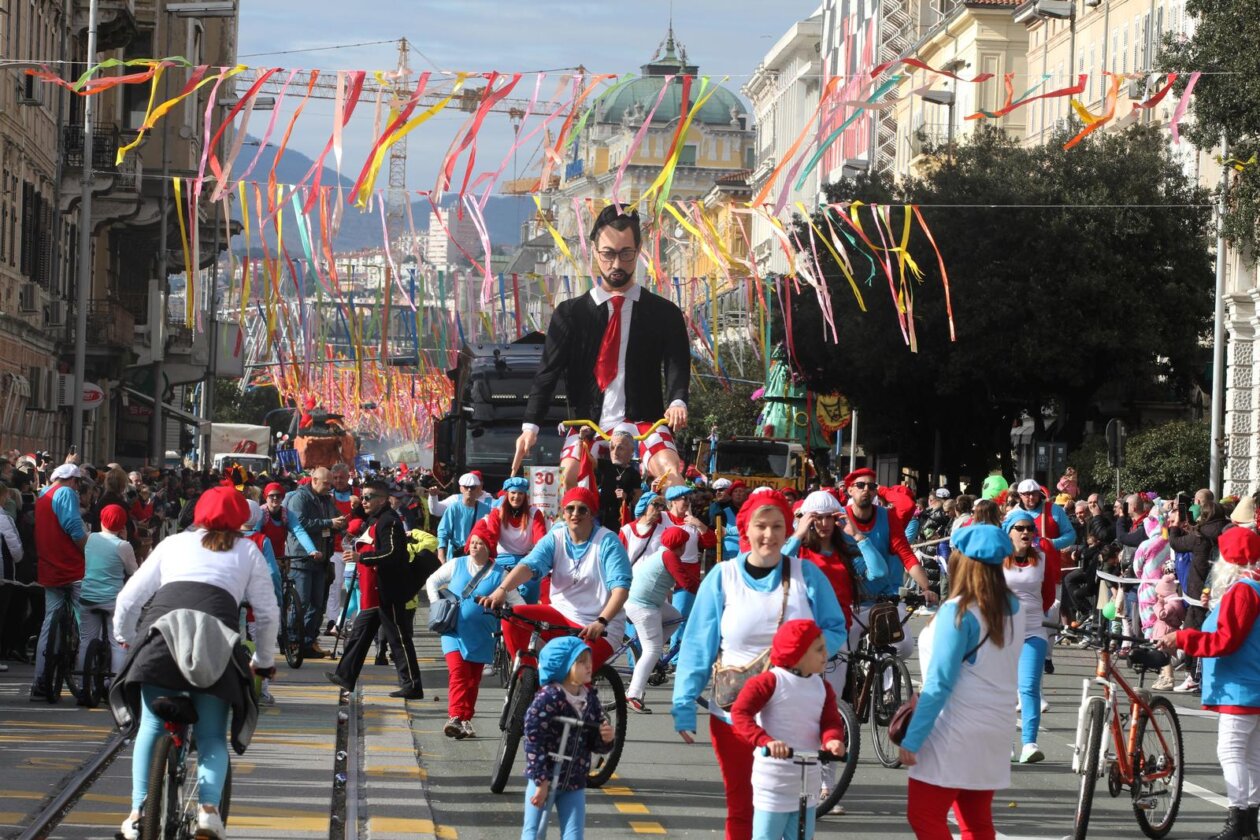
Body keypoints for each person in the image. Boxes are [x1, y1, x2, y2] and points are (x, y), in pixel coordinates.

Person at [671, 490, 846, 840]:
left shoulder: (806, 574)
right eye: (761, 526)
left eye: (778, 526)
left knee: (796, 814)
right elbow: (697, 644)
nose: (769, 535)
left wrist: (800, 657)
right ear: (745, 530)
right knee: (743, 809)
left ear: (788, 530)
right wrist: (683, 702)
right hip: (737, 716)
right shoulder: (722, 577)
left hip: (796, 714)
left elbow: (835, 627)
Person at [111, 486, 278, 840]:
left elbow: (128, 599)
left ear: (197, 514)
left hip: (161, 640)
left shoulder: (172, 544)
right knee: (213, 735)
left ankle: (138, 812)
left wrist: (125, 637)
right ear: (242, 521)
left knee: (152, 727)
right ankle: (207, 812)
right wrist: (263, 660)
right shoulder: (248, 551)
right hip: (215, 647)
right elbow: (266, 614)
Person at [514, 204, 691, 493]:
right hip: (588, 422)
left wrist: (677, 401)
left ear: (638, 250)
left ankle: (681, 531)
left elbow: (677, 365)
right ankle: (566, 534)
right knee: (568, 478)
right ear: (595, 251)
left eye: (626, 254)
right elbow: (547, 374)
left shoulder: (664, 313)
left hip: (645, 421)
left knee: (670, 471)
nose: (616, 265)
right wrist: (530, 427)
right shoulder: (570, 314)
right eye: (608, 254)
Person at [899, 525, 1021, 840]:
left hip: (954, 728)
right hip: (997, 726)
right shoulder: (1014, 608)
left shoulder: (959, 612)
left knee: (924, 816)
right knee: (976, 822)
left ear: (961, 560)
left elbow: (939, 684)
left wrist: (913, 737)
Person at [1157, 527, 1260, 840]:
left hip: (1239, 686)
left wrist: (1183, 637)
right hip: (1249, 684)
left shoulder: (1242, 591)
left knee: (1231, 752)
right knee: (1251, 756)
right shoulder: (1253, 588)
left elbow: (1225, 640)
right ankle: (1249, 824)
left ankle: (1237, 821)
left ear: (1228, 560)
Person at [481, 487, 632, 671]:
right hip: (561, 614)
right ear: (564, 512)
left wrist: (602, 621)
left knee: (574, 674)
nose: (575, 514)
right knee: (512, 617)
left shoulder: (608, 541)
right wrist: (502, 590)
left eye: (582, 509)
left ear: (591, 514)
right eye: (570, 509)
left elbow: (621, 589)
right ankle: (526, 679)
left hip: (599, 624)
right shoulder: (557, 536)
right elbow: (529, 565)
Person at [731, 619, 847, 840]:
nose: (826, 654)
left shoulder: (823, 688)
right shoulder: (769, 682)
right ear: (798, 652)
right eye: (819, 649)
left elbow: (830, 721)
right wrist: (765, 740)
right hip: (773, 782)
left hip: (807, 781)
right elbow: (740, 713)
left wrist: (832, 739)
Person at [425, 519, 523, 739]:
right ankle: (455, 717)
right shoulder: (457, 564)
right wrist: (436, 603)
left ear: (489, 547)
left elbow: (518, 601)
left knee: (472, 679)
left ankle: (466, 719)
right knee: (458, 673)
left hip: (482, 636)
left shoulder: (501, 574)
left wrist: (526, 616)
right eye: (473, 542)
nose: (476, 546)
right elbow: (432, 581)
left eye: (481, 543)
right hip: (454, 632)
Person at [326, 480, 424, 699]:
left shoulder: (389, 521)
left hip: (389, 590)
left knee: (399, 639)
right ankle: (345, 676)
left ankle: (412, 686)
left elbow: (392, 554)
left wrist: (363, 557)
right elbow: (358, 513)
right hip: (378, 592)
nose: (364, 501)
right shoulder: (377, 518)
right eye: (363, 497)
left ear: (382, 499)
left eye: (369, 497)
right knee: (359, 634)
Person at [520, 637, 616, 840]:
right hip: (544, 778)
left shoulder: (589, 698)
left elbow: (594, 742)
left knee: (574, 835)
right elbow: (533, 742)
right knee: (534, 832)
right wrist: (540, 781)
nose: (589, 666)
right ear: (563, 666)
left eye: (589, 660)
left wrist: (605, 739)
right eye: (581, 662)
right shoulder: (548, 698)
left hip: (574, 781)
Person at [839, 469, 937, 666]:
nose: (866, 489)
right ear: (850, 490)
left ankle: (879, 680)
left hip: (885, 598)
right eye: (860, 485)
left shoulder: (887, 517)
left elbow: (907, 555)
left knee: (904, 646)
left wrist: (927, 588)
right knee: (842, 653)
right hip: (851, 601)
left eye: (871, 486)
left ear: (877, 492)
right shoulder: (839, 518)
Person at [1001, 509, 1058, 764]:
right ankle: (1004, 742)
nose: (1026, 532)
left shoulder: (1042, 558)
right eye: (1020, 528)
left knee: (1028, 687)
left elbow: (1048, 594)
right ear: (1009, 532)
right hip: (1001, 634)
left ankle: (1029, 744)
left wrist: (1031, 614)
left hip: (1034, 631)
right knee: (1002, 690)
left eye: (1029, 529)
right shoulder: (996, 559)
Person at [623, 527, 697, 713]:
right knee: (653, 648)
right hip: (644, 606)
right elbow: (686, 582)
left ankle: (653, 660)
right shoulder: (670, 556)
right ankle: (633, 695)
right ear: (681, 545)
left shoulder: (662, 553)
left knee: (676, 617)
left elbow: (685, 579)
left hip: (647, 603)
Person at [31, 463, 88, 701]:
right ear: (73, 481)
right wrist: (87, 547)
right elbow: (74, 528)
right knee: (86, 620)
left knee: (49, 621)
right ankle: (87, 680)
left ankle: (40, 680)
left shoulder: (43, 495)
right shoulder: (66, 493)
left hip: (49, 565)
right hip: (71, 566)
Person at [76, 504, 138, 699]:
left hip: (87, 596)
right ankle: (114, 686)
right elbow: (133, 572)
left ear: (101, 520)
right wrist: (125, 540)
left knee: (85, 639)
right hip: (113, 601)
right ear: (122, 525)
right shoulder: (123, 546)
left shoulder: (91, 538)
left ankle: (81, 683)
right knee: (116, 641)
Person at [285, 467, 345, 659]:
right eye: (326, 483)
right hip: (302, 559)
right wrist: (328, 523)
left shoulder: (327, 499)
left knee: (317, 604)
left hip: (322, 559)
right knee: (301, 602)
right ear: (314, 480)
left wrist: (341, 523)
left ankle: (309, 642)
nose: (330, 486)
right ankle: (293, 640)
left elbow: (334, 518)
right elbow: (300, 524)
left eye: (330, 483)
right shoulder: (299, 499)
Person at [477, 476, 549, 604]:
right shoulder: (497, 512)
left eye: (520, 493)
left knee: (531, 588)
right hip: (501, 559)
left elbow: (541, 540)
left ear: (525, 495)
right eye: (513, 493)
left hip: (526, 559)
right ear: (507, 494)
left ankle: (527, 618)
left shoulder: (535, 513)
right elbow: (491, 538)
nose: (517, 496)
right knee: (489, 585)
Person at [323, 464, 357, 635]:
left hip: (354, 548)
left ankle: (350, 623)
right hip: (335, 548)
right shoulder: (328, 496)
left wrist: (357, 506)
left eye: (341, 478)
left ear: (348, 476)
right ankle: (332, 621)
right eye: (334, 478)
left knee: (353, 586)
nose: (337, 481)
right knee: (334, 586)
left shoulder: (358, 493)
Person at [436, 473, 491, 563]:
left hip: (477, 556)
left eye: (472, 487)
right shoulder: (453, 508)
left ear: (478, 489)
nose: (469, 490)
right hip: (456, 555)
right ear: (461, 488)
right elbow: (443, 533)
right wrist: (441, 556)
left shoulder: (486, 509)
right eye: (466, 487)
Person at [595, 424, 642, 527]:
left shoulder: (634, 474)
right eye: (612, 447)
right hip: (601, 519)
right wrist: (582, 440)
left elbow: (638, 502)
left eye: (620, 448)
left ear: (631, 451)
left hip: (622, 521)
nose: (615, 452)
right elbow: (586, 460)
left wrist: (626, 497)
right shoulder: (604, 465)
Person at [619, 491, 667, 566]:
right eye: (656, 504)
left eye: (662, 506)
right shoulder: (627, 530)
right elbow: (619, 558)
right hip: (632, 576)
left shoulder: (663, 531)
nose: (659, 509)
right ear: (645, 506)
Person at [710, 480, 750, 563]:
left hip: (748, 555)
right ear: (731, 495)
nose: (738, 494)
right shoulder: (722, 513)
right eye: (735, 491)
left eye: (741, 491)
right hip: (729, 557)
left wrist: (728, 531)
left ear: (746, 495)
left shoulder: (751, 512)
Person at [259, 482, 289, 559]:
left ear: (282, 498)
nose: (275, 498)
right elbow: (255, 535)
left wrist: (312, 550)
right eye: (271, 496)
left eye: (278, 496)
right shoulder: (260, 513)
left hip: (280, 558)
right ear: (266, 497)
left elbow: (299, 531)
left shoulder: (287, 513)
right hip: (263, 558)